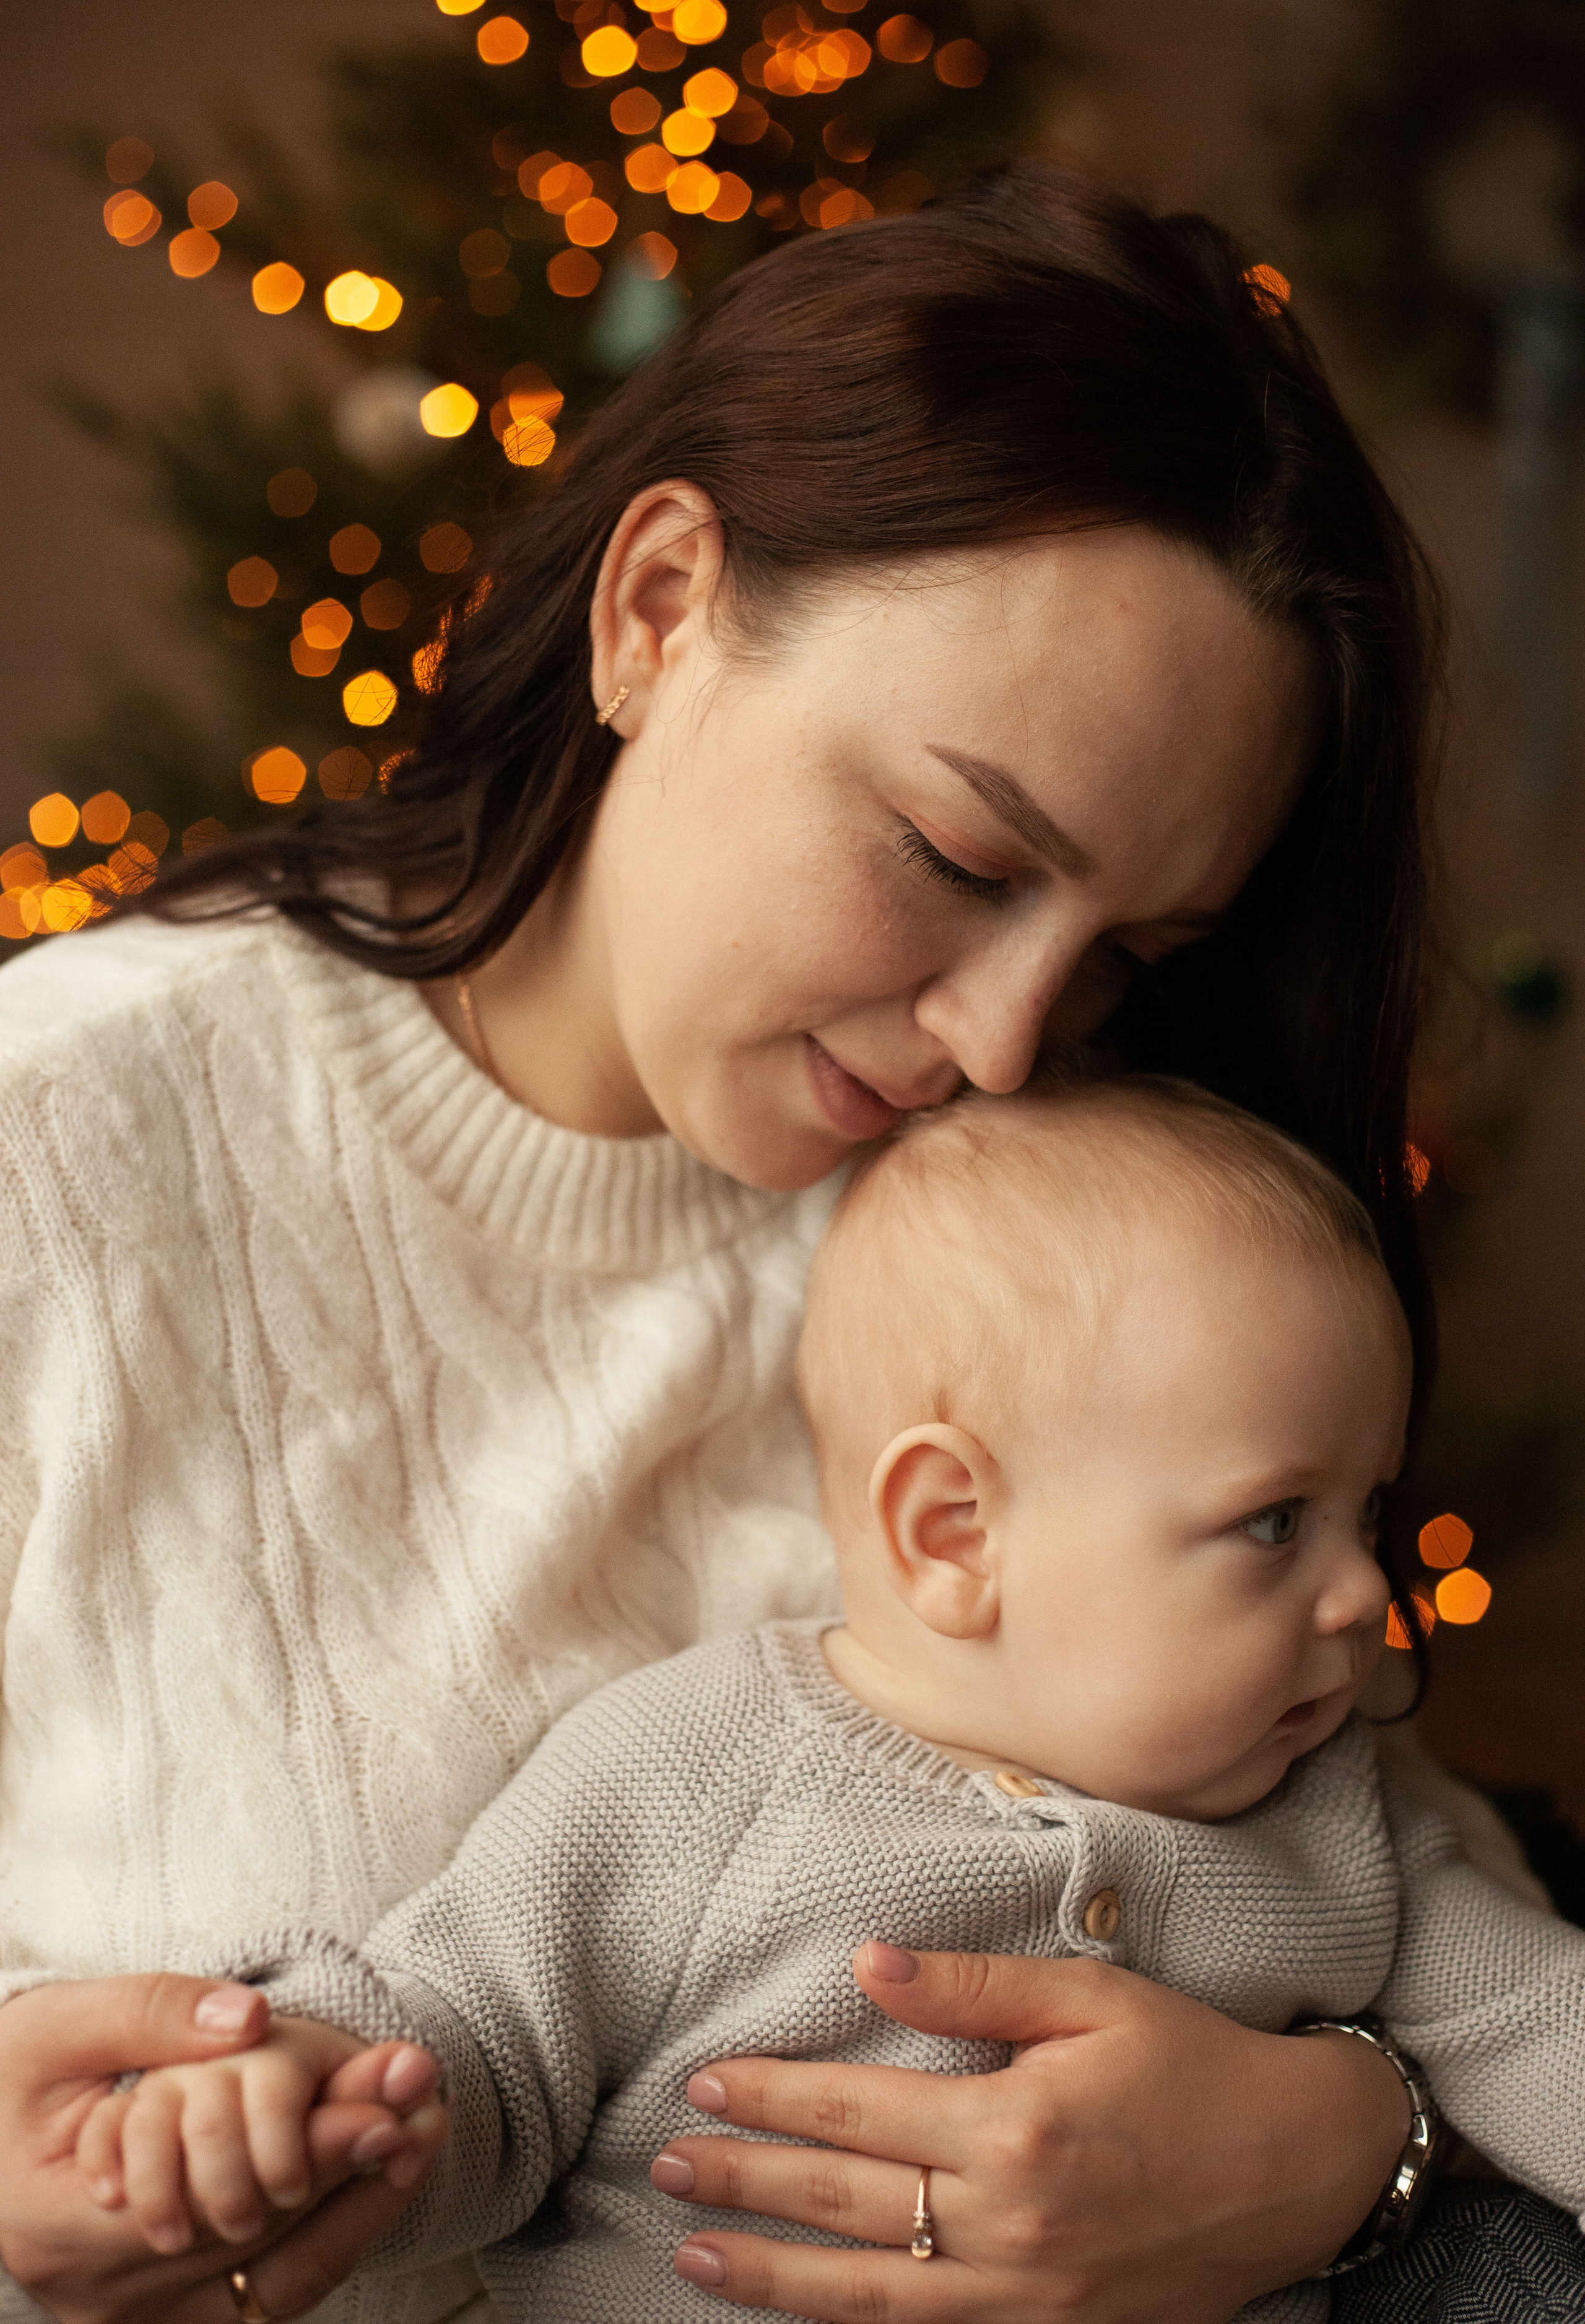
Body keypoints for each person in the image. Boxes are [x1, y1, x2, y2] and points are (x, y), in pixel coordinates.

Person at [0, 162, 1526, 2324]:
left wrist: (1345, 2151)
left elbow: (1371, 1843)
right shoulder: (50, 1155)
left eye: (1129, 954)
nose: (1007, 1044)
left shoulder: (1076, 1218)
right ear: (658, 611)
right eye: (953, 849)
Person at [72, 1081, 1585, 2322]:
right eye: (1274, 1523)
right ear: (954, 1536)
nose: (1358, 1599)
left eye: (1365, 1520)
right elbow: (470, 2039)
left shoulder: (1340, 1816)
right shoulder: (695, 1768)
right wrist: (286, 2088)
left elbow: (1536, 2020)